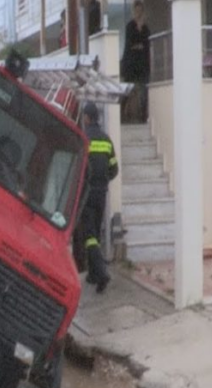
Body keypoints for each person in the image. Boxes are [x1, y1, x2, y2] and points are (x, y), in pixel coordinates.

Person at [79, 102, 119, 293]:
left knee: (89, 236)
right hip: (101, 193)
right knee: (95, 231)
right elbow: (114, 169)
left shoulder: (83, 139)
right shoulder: (106, 140)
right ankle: (94, 275)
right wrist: (104, 181)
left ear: (86, 118)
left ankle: (101, 273)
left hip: (86, 194)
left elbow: (78, 169)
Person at [121, 0, 151, 122]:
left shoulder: (146, 28)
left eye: (140, 11)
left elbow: (146, 44)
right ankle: (122, 115)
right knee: (127, 91)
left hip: (143, 65)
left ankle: (143, 117)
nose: (138, 13)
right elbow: (130, 44)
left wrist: (139, 45)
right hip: (131, 65)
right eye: (136, 10)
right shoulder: (130, 26)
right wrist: (138, 45)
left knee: (144, 92)